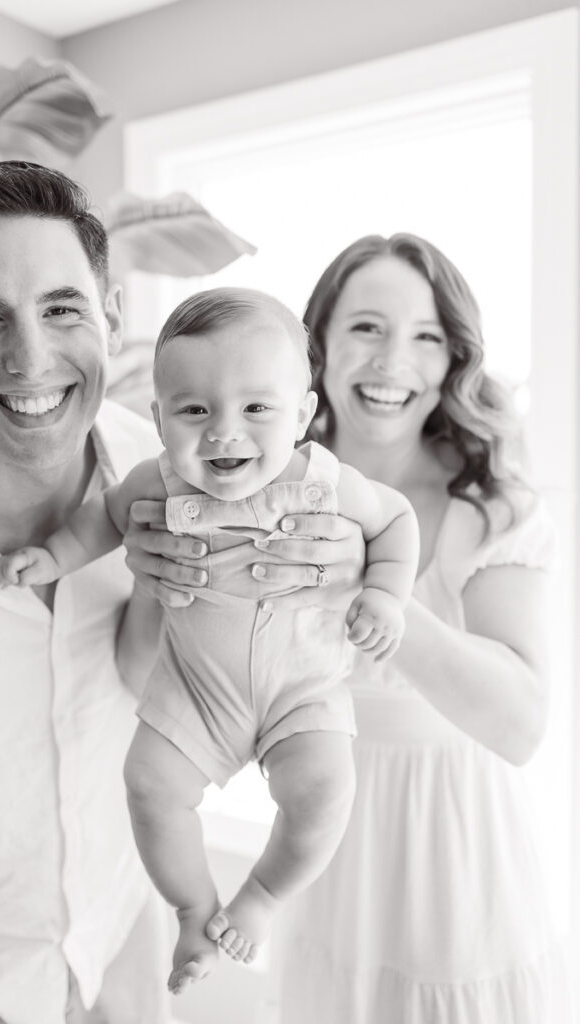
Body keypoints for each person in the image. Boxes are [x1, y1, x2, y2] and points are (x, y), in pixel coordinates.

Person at [0, 161, 363, 1024]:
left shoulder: (202, 484)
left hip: (126, 967)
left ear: (111, 315)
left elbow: (186, 689)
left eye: (62, 308)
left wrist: (340, 579)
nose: (30, 358)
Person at [0, 286, 420, 995]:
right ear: (160, 419)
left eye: (256, 409)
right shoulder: (152, 483)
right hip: (193, 690)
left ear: (303, 415)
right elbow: (100, 522)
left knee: (323, 793)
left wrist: (384, 596)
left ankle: (260, 898)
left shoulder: (324, 482)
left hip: (300, 689)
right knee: (149, 787)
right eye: (195, 410)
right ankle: (194, 908)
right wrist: (52, 557)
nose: (224, 432)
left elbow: (396, 521)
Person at [253, 234, 573, 1023]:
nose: (393, 360)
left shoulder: (491, 506)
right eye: (366, 326)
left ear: (451, 360)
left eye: (426, 337)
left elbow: (521, 723)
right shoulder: (268, 486)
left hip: (460, 869)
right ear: (317, 341)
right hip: (327, 862)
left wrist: (371, 585)